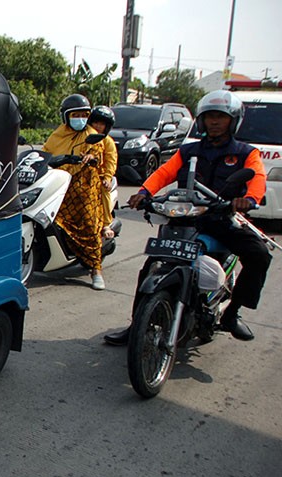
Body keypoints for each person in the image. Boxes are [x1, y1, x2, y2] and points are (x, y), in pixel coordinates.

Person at [104, 90, 270, 345]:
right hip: (186, 218)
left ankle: (233, 312)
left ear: (233, 120)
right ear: (201, 120)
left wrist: (248, 200)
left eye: (221, 117)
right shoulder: (188, 150)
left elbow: (257, 178)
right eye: (209, 116)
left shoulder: (246, 153)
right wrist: (144, 193)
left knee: (259, 254)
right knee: (151, 266)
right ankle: (137, 324)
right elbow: (164, 172)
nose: (214, 122)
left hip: (221, 220)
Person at [43, 94, 108, 290]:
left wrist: (89, 157)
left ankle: (96, 270)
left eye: (83, 115)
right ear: (66, 117)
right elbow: (45, 152)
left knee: (89, 224)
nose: (80, 119)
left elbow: (96, 150)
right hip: (59, 184)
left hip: (84, 188)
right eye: (75, 115)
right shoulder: (57, 135)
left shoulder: (91, 134)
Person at [87, 105, 118, 240]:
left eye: (102, 124)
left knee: (103, 189)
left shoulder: (108, 142)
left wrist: (107, 178)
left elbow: (111, 161)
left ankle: (106, 224)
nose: (98, 126)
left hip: (99, 176)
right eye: (96, 122)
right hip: (80, 174)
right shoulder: (82, 137)